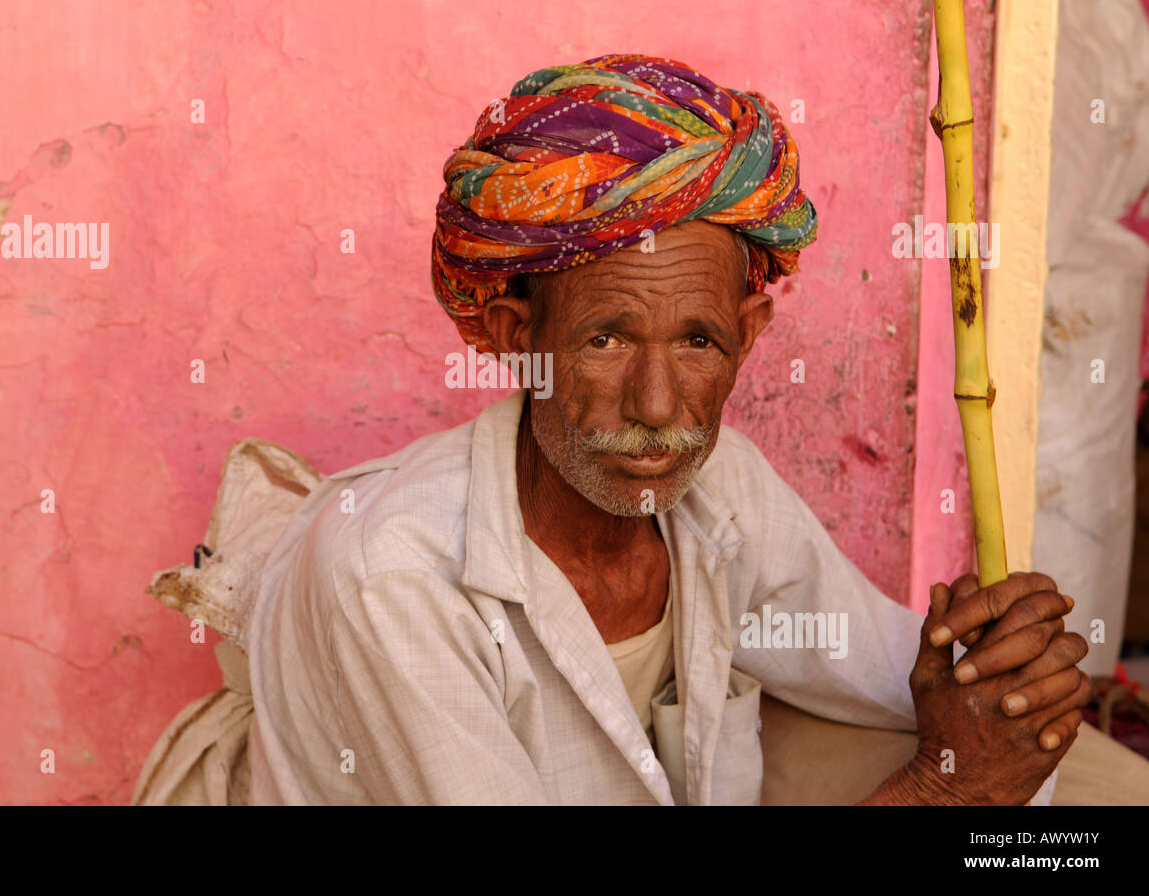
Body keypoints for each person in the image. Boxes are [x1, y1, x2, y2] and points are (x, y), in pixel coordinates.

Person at [248, 53, 1091, 805]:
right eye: (605, 338)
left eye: (697, 342)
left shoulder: (722, 490)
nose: (657, 406)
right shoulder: (395, 575)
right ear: (517, 339)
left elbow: (890, 673)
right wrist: (948, 791)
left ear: (747, 334)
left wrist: (996, 670)